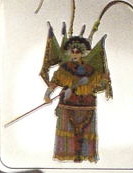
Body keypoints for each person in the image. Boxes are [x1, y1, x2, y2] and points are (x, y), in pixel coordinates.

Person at [43, 34, 111, 163]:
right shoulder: (63, 69)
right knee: (67, 130)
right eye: (72, 51)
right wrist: (47, 95)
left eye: (77, 52)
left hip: (87, 105)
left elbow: (100, 85)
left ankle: (85, 155)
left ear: (82, 53)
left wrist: (105, 79)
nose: (74, 54)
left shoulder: (91, 70)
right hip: (67, 104)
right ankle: (67, 155)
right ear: (69, 52)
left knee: (86, 132)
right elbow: (54, 83)